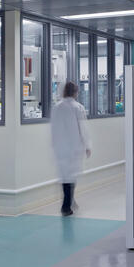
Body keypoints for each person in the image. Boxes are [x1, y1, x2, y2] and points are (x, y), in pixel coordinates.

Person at [51, 82, 91, 216]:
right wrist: (87, 146)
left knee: (65, 177)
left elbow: (53, 128)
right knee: (71, 177)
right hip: (74, 147)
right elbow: (83, 128)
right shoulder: (78, 107)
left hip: (60, 147)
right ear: (75, 92)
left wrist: (54, 144)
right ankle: (66, 206)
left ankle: (70, 201)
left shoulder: (57, 107)